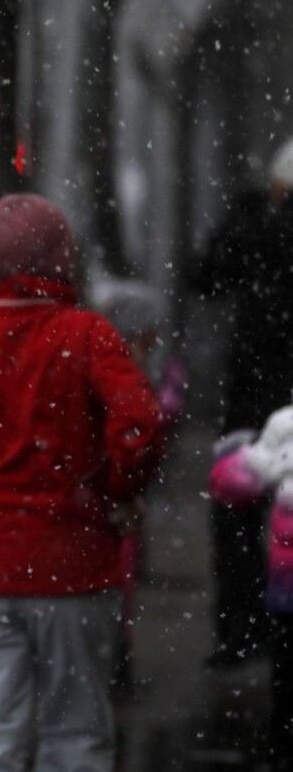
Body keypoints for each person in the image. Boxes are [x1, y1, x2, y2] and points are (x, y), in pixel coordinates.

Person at [0, 193, 165, 772]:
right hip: (74, 568)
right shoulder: (88, 337)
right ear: (64, 258)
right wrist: (115, 489)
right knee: (76, 737)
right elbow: (140, 424)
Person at [193, 136, 293, 666]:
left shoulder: (256, 229)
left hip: (253, 396)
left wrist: (240, 218)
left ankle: (243, 628)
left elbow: (205, 277)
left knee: (237, 511)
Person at [210, 408, 293, 770]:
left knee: (286, 681)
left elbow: (235, 485)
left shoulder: (287, 425)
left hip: (288, 588)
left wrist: (230, 458)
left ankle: (283, 750)